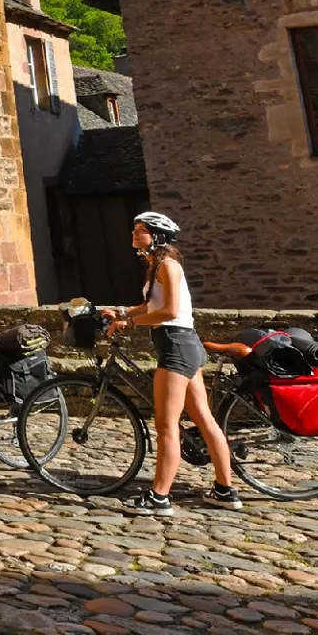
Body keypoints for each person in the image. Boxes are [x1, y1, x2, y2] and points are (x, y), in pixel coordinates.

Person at [106, 211, 242, 515]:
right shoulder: (156, 266)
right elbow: (151, 305)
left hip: (176, 345)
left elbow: (169, 311)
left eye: (140, 230)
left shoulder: (168, 266)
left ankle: (160, 496)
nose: (134, 234)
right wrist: (124, 313)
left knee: (167, 425)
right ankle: (225, 491)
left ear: (157, 237)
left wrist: (132, 323)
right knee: (204, 420)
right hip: (183, 344)